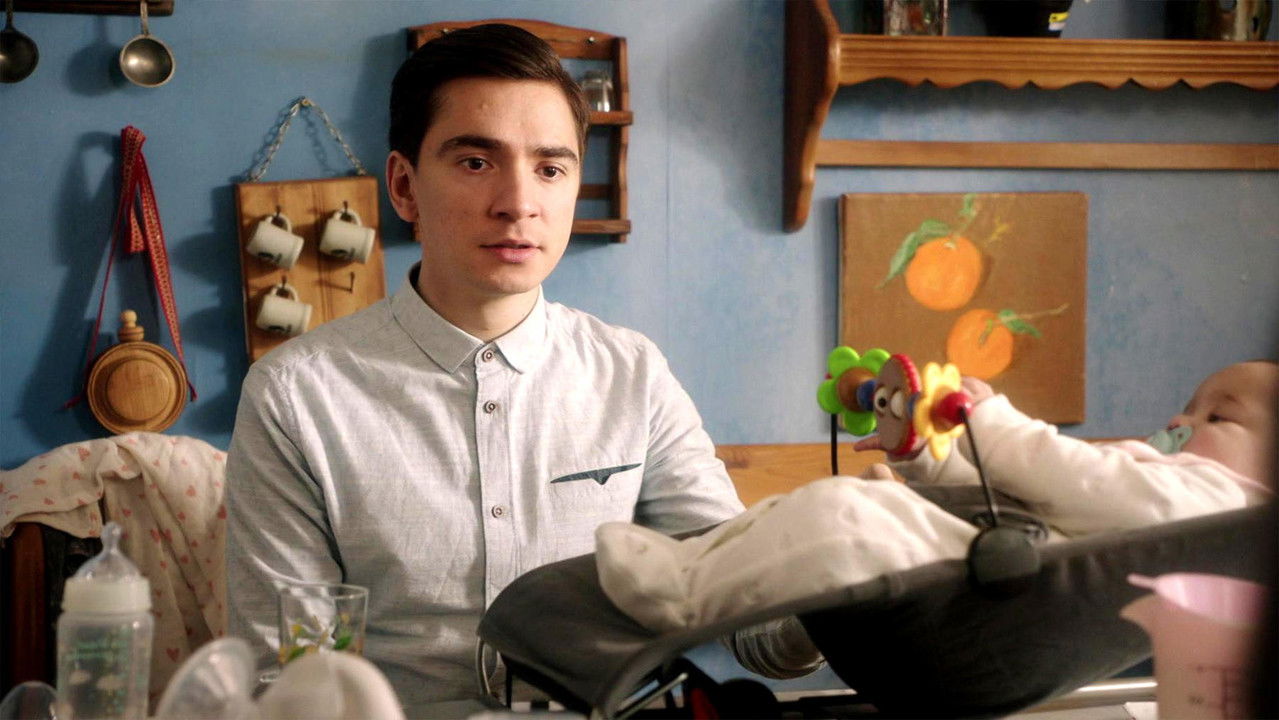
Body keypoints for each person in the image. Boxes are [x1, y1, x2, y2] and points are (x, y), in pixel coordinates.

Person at [224, 24, 744, 711]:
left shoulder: (633, 373)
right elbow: (291, 676)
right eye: (475, 162)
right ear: (404, 187)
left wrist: (851, 567)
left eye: (550, 169)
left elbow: (743, 609)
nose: (518, 203)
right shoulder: (294, 396)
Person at [597, 360, 1277, 634]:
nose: (1183, 420)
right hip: (998, 560)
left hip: (1014, 601)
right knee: (826, 507)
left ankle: (687, 596)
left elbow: (1071, 476)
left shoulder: (1220, 511)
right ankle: (690, 566)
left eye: (1218, 416)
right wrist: (922, 455)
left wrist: (991, 422)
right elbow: (1003, 497)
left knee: (844, 519)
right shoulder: (1161, 482)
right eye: (1189, 404)